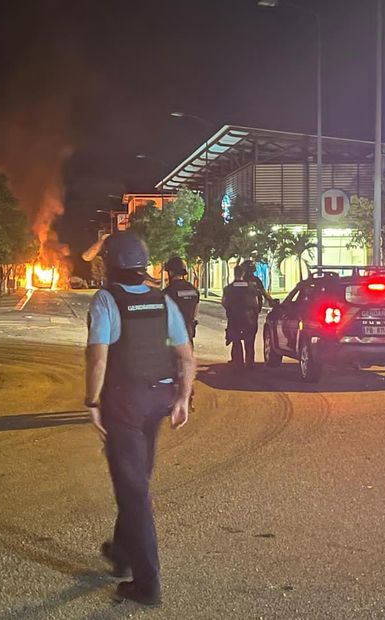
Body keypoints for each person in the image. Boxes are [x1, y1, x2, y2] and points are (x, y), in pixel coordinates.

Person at [85, 232, 196, 606]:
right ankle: (121, 552)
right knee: (136, 475)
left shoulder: (106, 300)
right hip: (158, 401)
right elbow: (186, 355)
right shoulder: (162, 300)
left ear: (111, 264)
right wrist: (182, 397)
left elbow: (98, 357)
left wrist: (91, 401)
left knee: (134, 492)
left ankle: (146, 584)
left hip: (125, 404)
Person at [222, 265, 261, 368]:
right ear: (243, 274)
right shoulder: (251, 287)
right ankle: (250, 362)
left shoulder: (228, 288)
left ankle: (238, 362)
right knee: (249, 341)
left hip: (234, 318)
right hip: (249, 318)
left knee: (236, 340)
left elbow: (224, 302)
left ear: (234, 274)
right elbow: (256, 303)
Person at [162, 256, 200, 341]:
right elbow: (195, 313)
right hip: (188, 333)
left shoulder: (167, 292)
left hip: (172, 336)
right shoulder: (194, 290)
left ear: (171, 272)